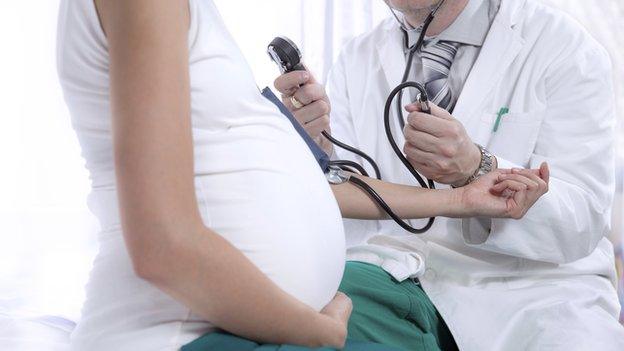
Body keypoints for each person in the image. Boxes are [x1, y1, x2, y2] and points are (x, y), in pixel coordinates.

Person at [56, 0, 547, 350]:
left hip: (248, 320)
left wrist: (462, 197)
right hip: (198, 331)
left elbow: (298, 184)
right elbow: (164, 244)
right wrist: (318, 329)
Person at [274, 0, 624, 350]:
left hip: (530, 293)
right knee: (270, 331)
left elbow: (583, 222)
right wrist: (321, 151)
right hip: (395, 275)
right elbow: (353, 212)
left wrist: (477, 166)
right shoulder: (356, 58)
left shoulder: (563, 46)